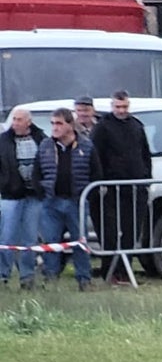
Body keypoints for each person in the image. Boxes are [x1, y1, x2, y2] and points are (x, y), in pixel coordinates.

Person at [32, 107, 102, 291]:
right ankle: (50, 278)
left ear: (70, 125)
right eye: (53, 123)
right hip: (51, 202)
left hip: (76, 202)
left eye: (59, 123)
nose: (55, 128)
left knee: (80, 242)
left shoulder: (86, 146)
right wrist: (42, 192)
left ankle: (84, 280)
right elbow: (36, 172)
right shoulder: (45, 146)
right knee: (50, 242)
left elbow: (96, 173)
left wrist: (87, 197)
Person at [90, 89, 152, 283]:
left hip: (135, 187)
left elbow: (145, 153)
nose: (122, 110)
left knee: (131, 231)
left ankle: (125, 271)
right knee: (110, 232)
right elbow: (96, 156)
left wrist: (146, 178)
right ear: (112, 106)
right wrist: (100, 182)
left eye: (124, 106)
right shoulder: (102, 127)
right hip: (110, 188)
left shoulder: (136, 125)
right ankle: (110, 272)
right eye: (118, 107)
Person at [0, 108, 47, 289]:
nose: (16, 123)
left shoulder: (40, 138)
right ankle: (2, 275)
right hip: (10, 195)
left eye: (20, 120)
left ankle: (27, 276)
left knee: (30, 239)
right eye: (14, 119)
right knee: (7, 237)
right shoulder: (3, 141)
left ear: (28, 121)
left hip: (33, 196)